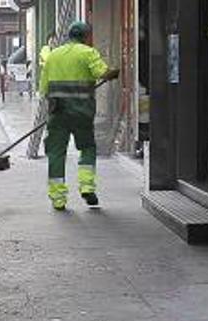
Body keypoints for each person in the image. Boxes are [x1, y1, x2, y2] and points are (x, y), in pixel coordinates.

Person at [39, 22, 118, 211]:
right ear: (86, 36)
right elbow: (103, 73)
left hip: (58, 114)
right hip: (82, 113)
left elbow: (43, 90)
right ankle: (87, 187)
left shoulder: (53, 56)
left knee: (56, 153)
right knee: (87, 148)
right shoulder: (88, 53)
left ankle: (58, 199)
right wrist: (115, 73)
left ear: (68, 35)